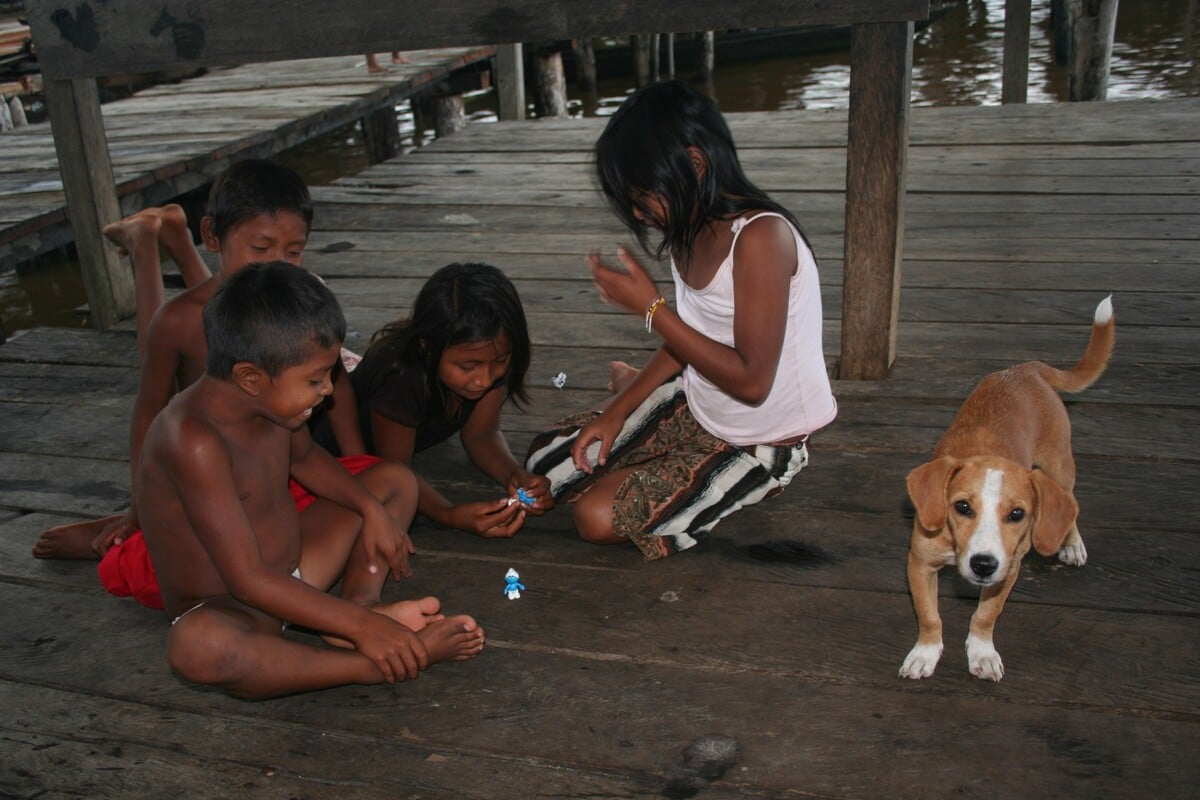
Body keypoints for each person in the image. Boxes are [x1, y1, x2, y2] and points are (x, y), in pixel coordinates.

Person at [137, 261, 484, 699]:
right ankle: (368, 662)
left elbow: (307, 458)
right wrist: (367, 631)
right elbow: (246, 579)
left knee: (395, 482)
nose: (329, 392)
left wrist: (368, 509)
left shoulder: (272, 405)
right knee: (197, 648)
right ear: (250, 377)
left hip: (294, 573)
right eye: (315, 380)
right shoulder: (193, 440)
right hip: (234, 607)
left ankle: (360, 602)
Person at [524, 81, 837, 560]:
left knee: (595, 517)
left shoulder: (760, 240)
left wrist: (652, 309)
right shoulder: (687, 228)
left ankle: (745, 482)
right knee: (548, 465)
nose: (635, 212)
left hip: (762, 441)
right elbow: (688, 340)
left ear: (694, 165)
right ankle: (641, 404)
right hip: (699, 401)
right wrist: (618, 412)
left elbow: (752, 382)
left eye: (643, 195)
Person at [31, 159, 312, 573]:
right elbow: (149, 411)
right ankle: (145, 245)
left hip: (267, 472)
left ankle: (170, 237)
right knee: (178, 323)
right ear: (212, 236)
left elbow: (328, 407)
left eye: (293, 252)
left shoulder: (301, 303)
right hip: (204, 476)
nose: (275, 266)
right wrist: (138, 507)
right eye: (260, 249)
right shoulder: (182, 321)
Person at [312, 262, 554, 539]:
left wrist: (515, 476)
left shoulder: (490, 356)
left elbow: (481, 435)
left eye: (500, 361)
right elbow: (395, 470)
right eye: (467, 367)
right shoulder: (400, 373)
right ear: (428, 347)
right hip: (333, 455)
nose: (485, 380)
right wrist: (448, 514)